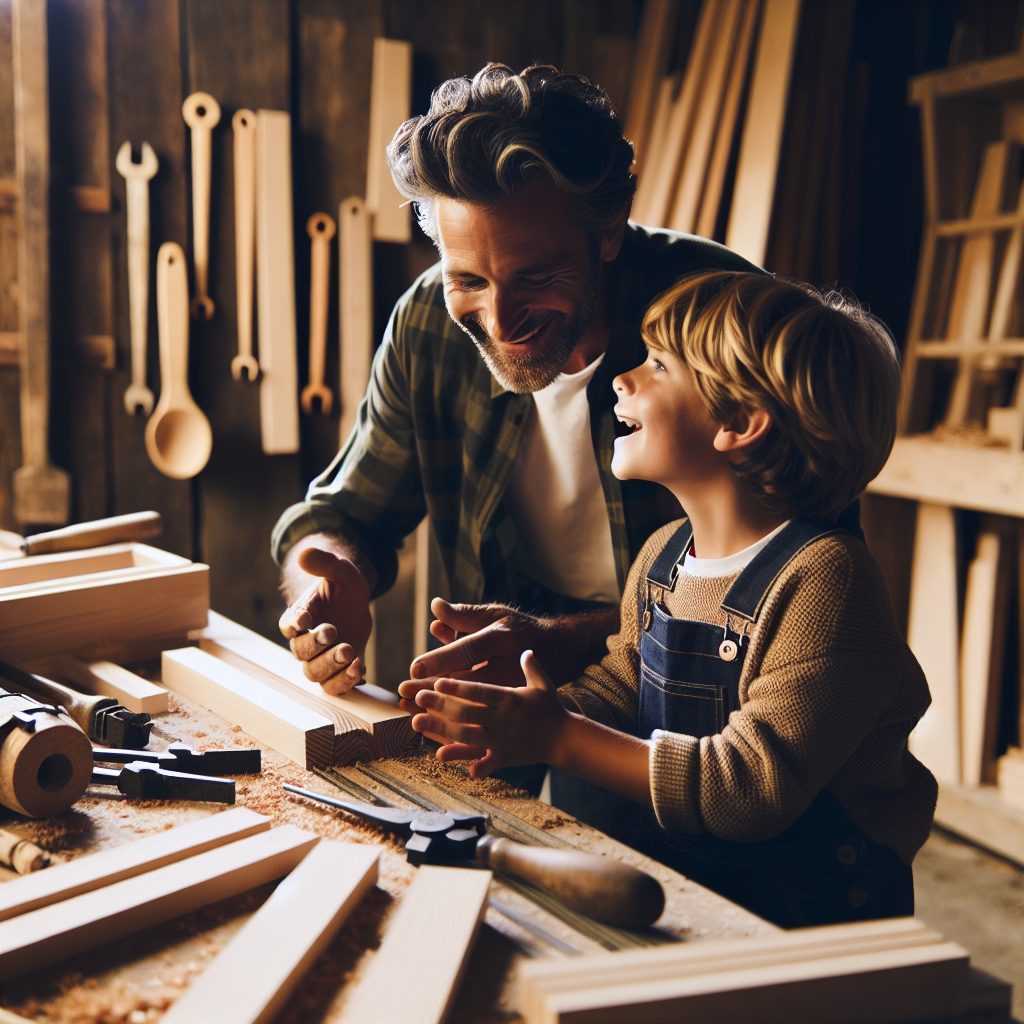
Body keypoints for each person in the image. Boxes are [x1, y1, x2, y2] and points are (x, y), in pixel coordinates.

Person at [401, 270, 938, 928]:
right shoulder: (663, 557)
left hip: (816, 909)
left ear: (740, 422)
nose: (624, 377)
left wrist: (562, 737)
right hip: (704, 880)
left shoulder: (826, 580)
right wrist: (521, 719)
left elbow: (749, 789)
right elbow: (623, 685)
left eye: (658, 365)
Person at [272, 63, 761, 702]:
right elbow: (346, 517)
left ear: (608, 232)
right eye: (468, 281)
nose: (500, 321)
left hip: (699, 702)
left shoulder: (728, 322)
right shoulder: (426, 324)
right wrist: (325, 575)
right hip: (504, 679)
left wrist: (565, 643)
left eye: (535, 277)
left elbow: (789, 589)